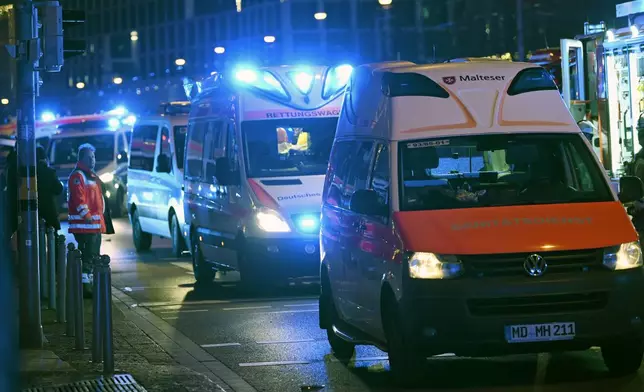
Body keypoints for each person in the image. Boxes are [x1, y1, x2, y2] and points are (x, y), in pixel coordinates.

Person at [67, 143, 114, 294]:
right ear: (83, 158)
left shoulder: (89, 175)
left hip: (93, 225)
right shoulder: (78, 176)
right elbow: (78, 198)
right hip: (86, 226)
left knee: (92, 256)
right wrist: (87, 217)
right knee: (88, 256)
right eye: (91, 157)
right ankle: (86, 288)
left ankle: (88, 284)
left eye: (94, 157)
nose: (93, 160)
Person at [36, 145, 63, 232]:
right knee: (53, 238)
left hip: (35, 211)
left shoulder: (30, 172)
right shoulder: (50, 172)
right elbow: (58, 189)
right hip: (49, 211)